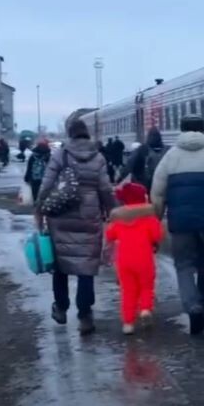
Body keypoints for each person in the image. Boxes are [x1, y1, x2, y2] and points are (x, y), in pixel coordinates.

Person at [150, 115, 204, 335]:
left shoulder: (170, 157)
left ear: (181, 130)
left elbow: (157, 193)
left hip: (181, 224)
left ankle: (193, 307)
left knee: (184, 266)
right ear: (203, 130)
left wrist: (156, 219)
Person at [35, 120, 117, 335]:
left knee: (60, 265)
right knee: (86, 267)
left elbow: (46, 185)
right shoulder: (98, 158)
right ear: (86, 134)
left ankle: (61, 307)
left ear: (70, 134)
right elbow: (106, 189)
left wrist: (39, 210)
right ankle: (85, 315)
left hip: (60, 216)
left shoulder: (60, 155)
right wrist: (113, 212)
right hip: (89, 217)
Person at [105, 182, 163, 334]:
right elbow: (157, 235)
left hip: (124, 261)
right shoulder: (149, 218)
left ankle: (128, 323)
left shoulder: (119, 220)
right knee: (146, 287)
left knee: (128, 291)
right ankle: (145, 309)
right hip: (144, 259)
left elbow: (110, 235)